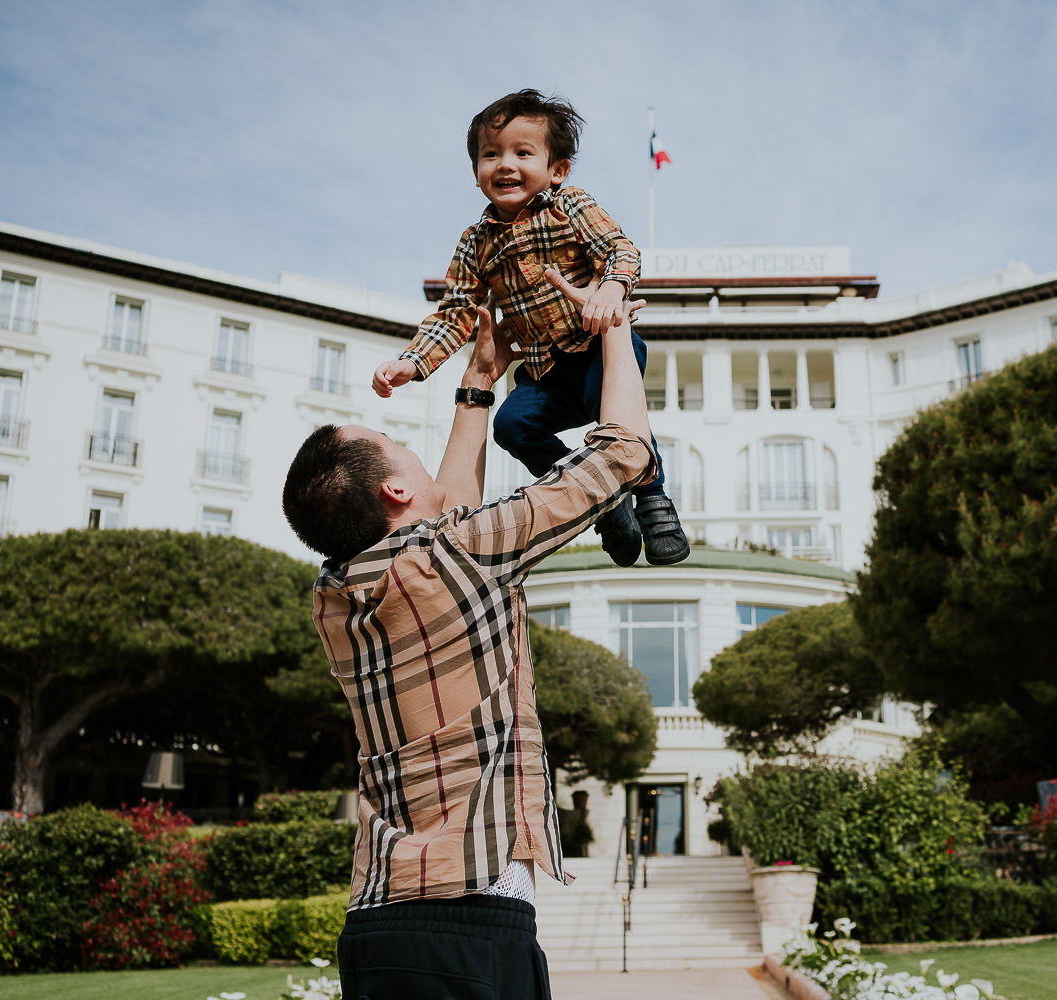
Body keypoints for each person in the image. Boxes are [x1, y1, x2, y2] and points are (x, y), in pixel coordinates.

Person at [282, 278, 656, 999]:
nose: (409, 453)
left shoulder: (337, 600)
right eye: (395, 445)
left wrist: (479, 383)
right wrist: (611, 328)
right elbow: (622, 454)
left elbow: (443, 522)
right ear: (394, 490)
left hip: (376, 925)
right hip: (473, 921)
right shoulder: (456, 557)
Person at [372, 88, 689, 568]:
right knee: (511, 425)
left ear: (556, 169)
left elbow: (619, 248)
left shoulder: (569, 206)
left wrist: (611, 289)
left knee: (618, 422)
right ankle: (604, 506)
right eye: (490, 154)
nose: (505, 164)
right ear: (476, 172)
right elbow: (456, 308)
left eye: (523, 152)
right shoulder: (475, 242)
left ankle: (652, 499)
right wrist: (411, 362)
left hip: (597, 350)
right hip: (542, 371)